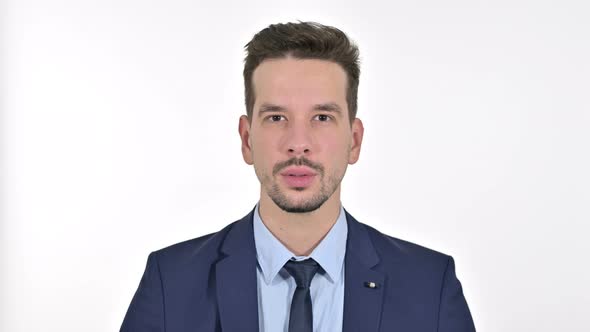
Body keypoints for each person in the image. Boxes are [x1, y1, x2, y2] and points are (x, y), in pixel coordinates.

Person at [120, 21, 476, 332]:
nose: (298, 144)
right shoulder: (171, 282)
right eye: (276, 117)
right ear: (247, 139)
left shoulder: (430, 286)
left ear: (354, 141)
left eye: (322, 117)